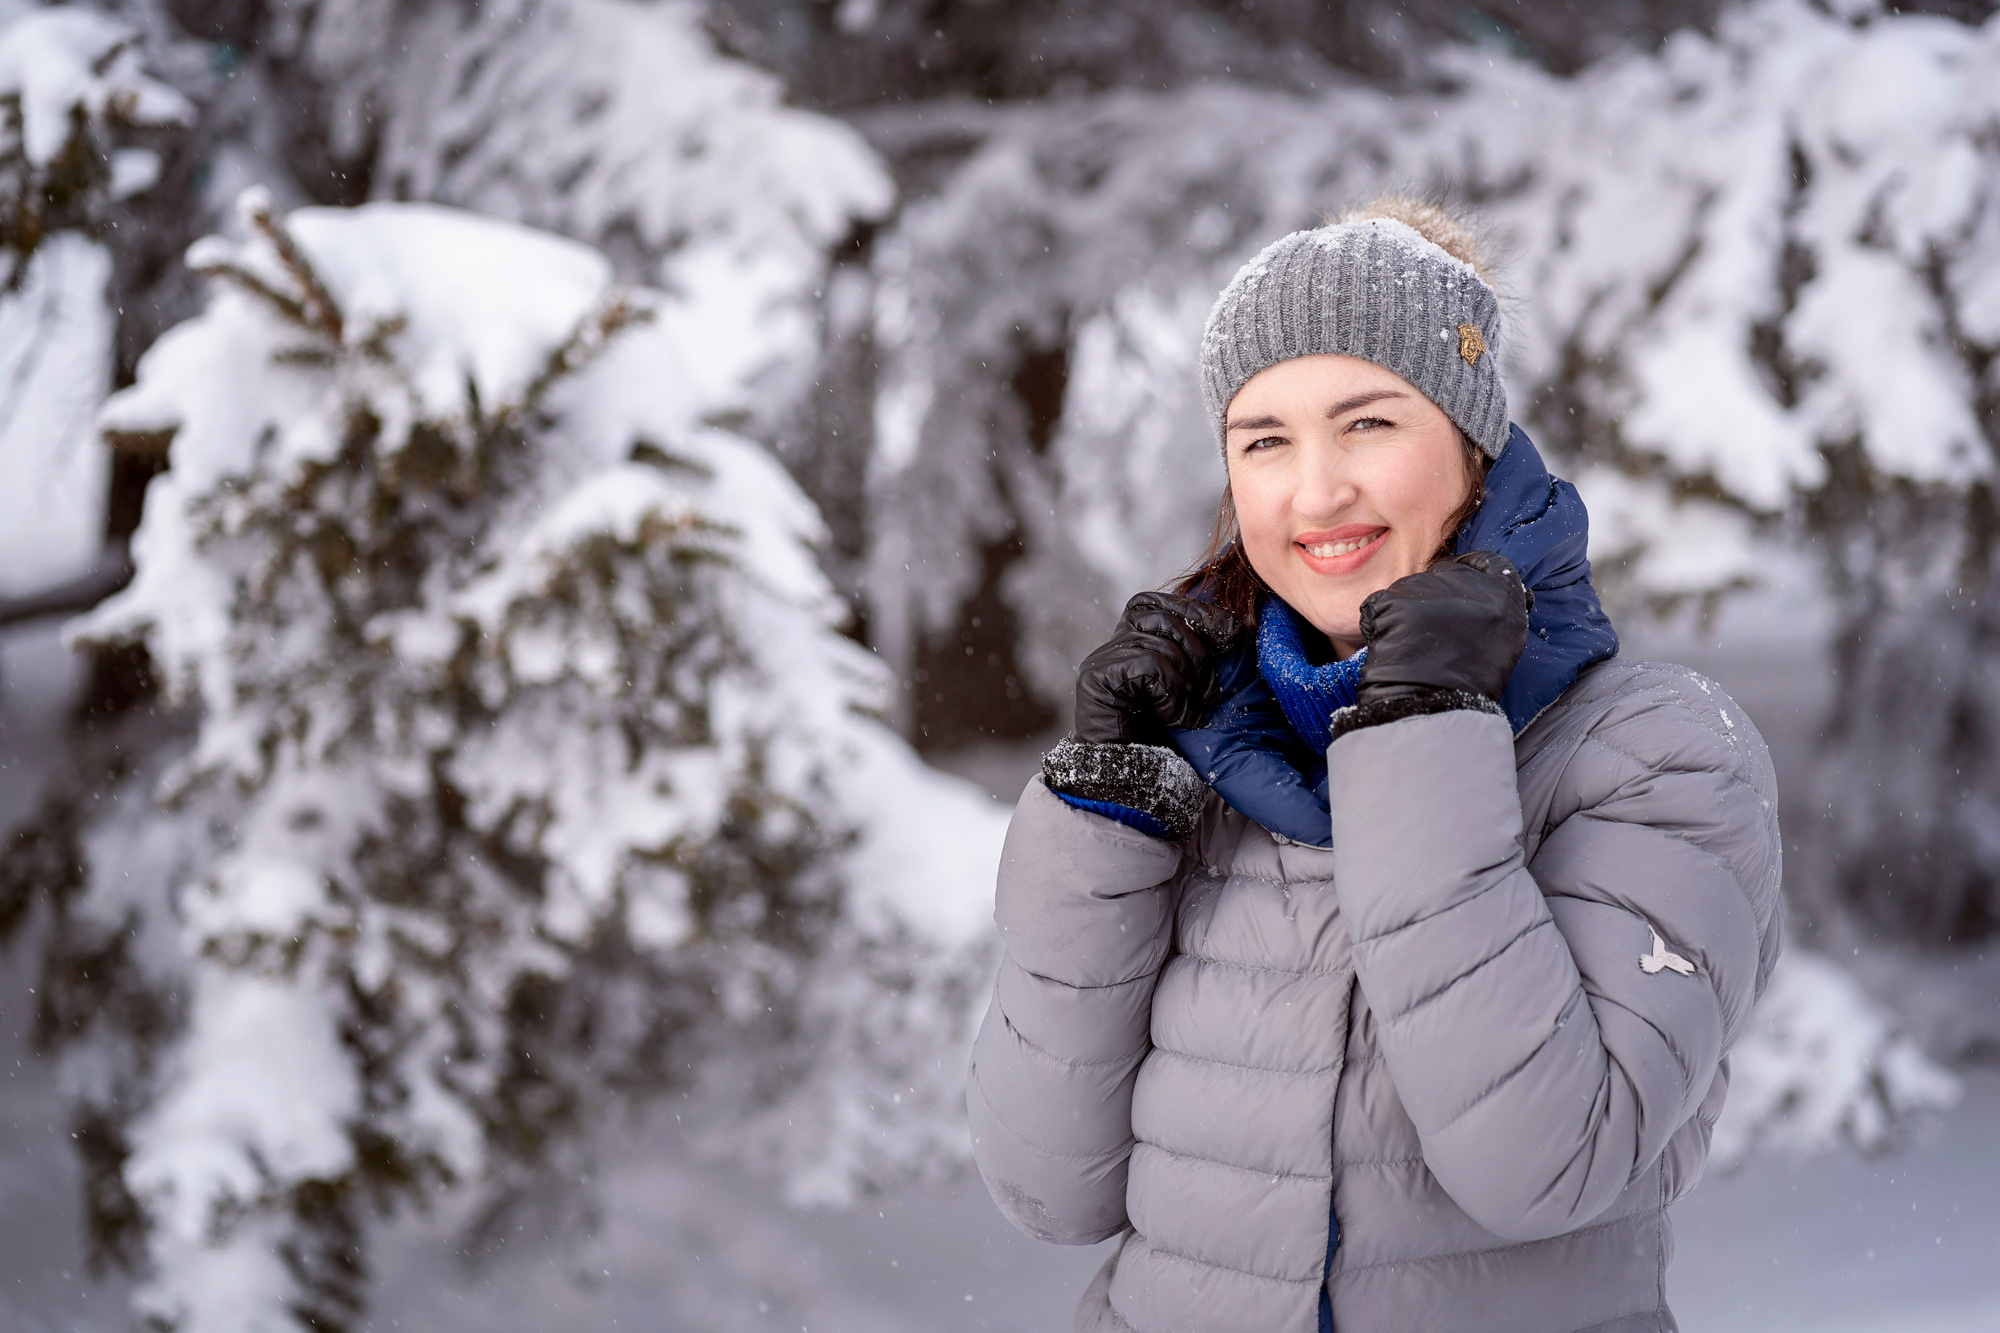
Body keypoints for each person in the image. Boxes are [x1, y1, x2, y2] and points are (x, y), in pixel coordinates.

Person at [965, 198, 1783, 1333]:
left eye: (1368, 424)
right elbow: (1047, 1189)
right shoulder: (1200, 753)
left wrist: (1420, 730)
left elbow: (1550, 1163)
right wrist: (1112, 800)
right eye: (1264, 441)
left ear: (1471, 446)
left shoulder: (1658, 751)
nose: (1314, 492)